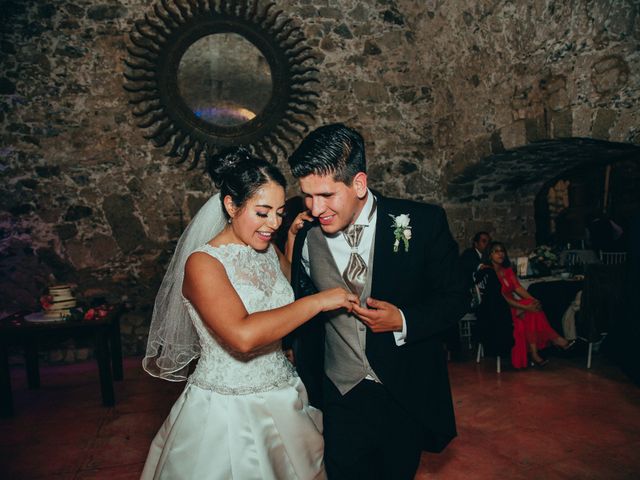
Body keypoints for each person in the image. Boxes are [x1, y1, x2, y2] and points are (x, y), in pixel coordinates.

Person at [141, 149, 358, 480]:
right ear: (231, 205)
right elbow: (242, 336)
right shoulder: (204, 263)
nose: (273, 223)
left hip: (283, 392)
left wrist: (291, 238)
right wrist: (319, 302)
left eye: (280, 213)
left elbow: (286, 292)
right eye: (262, 212)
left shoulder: (267, 248)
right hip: (229, 409)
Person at [286, 124, 468, 480]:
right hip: (341, 392)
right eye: (307, 195)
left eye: (325, 195)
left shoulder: (422, 222)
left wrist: (403, 320)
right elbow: (302, 304)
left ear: (358, 183)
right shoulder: (306, 237)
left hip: (402, 390)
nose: (315, 207)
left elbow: (456, 297)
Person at [481, 241, 574, 369]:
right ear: (489, 255)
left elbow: (518, 288)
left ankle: (536, 353)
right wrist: (524, 307)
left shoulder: (507, 270)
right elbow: (500, 298)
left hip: (514, 305)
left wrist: (534, 300)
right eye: (496, 251)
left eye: (502, 251)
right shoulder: (488, 272)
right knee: (529, 309)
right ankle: (556, 340)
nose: (500, 254)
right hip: (500, 308)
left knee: (532, 309)